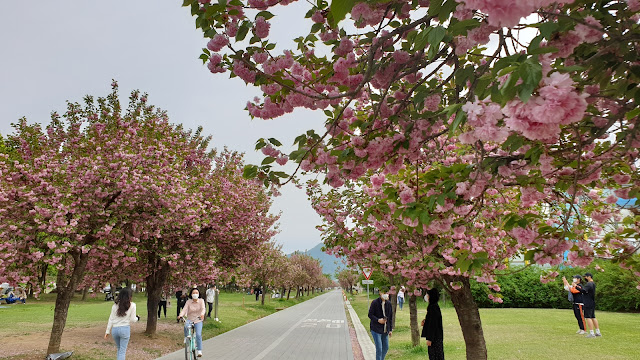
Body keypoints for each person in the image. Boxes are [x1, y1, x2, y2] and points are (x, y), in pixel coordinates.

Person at [105, 288, 138, 360]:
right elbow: (133, 319)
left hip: (115, 330)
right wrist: (137, 318)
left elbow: (111, 319)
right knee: (122, 351)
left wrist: (107, 331)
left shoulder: (115, 305)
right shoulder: (132, 305)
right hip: (125, 329)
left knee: (119, 349)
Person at [178, 287, 206, 358]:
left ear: (199, 294)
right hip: (190, 319)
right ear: (191, 294)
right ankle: (187, 338)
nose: (195, 294)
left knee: (198, 335)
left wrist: (202, 314)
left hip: (198, 320)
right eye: (193, 293)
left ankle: (199, 350)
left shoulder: (201, 301)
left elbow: (203, 309)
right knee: (186, 326)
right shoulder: (188, 302)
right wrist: (180, 315)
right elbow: (184, 309)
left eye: (196, 293)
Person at [368, 286, 393, 360]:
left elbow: (390, 317)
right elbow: (370, 315)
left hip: (385, 329)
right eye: (383, 293)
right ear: (380, 293)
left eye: (386, 293)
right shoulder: (375, 302)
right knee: (379, 348)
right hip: (376, 328)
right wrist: (378, 320)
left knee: (386, 347)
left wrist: (390, 329)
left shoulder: (388, 303)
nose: (385, 294)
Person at [421, 288, 444, 360]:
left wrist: (429, 339)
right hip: (436, 337)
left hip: (435, 338)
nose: (426, 296)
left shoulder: (433, 307)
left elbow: (433, 324)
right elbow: (431, 321)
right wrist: (426, 322)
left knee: (435, 356)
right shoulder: (434, 306)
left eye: (428, 295)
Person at [580, 272, 602, 338]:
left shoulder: (589, 284)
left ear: (589, 276)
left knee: (588, 317)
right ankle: (598, 332)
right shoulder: (593, 284)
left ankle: (591, 333)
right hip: (592, 302)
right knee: (593, 317)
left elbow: (583, 291)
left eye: (585, 277)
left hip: (588, 302)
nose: (585, 278)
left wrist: (576, 287)